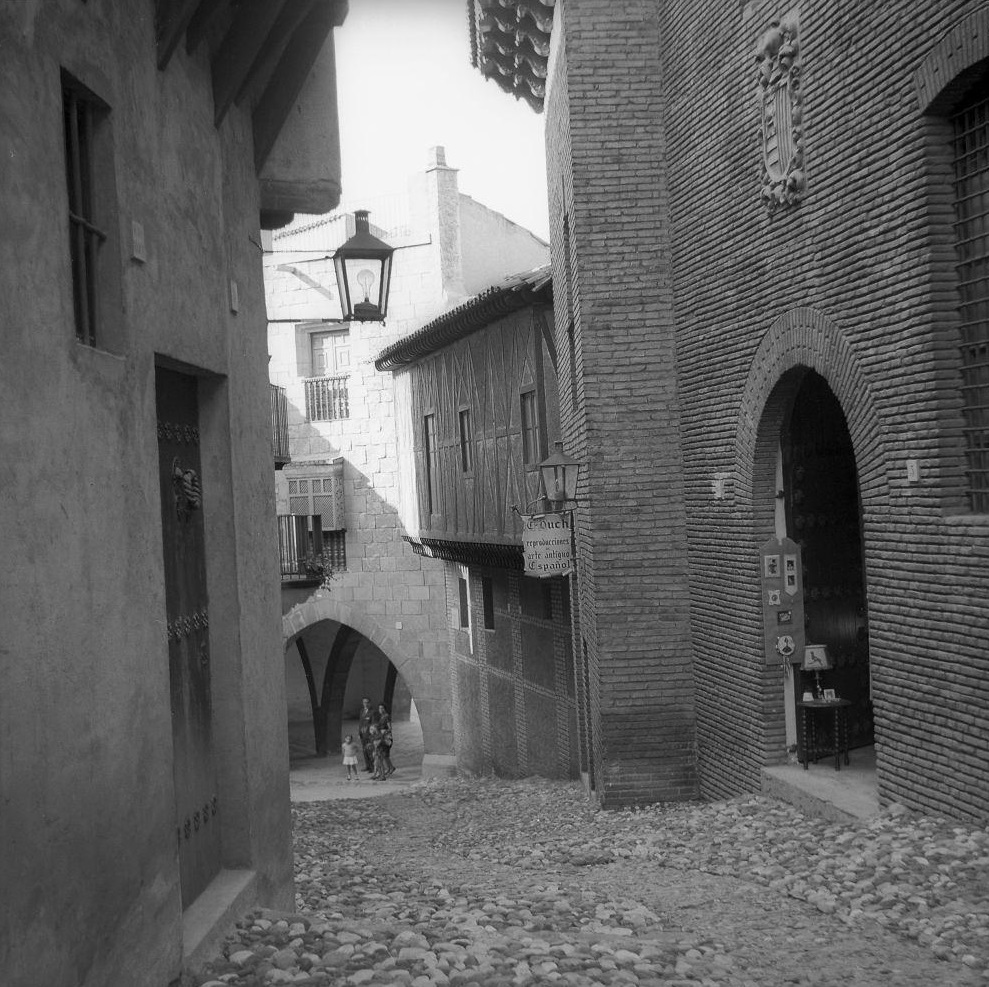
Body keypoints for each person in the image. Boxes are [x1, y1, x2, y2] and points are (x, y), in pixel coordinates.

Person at [357, 697, 377, 772]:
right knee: (364, 750)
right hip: (363, 734)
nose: (365, 704)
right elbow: (360, 723)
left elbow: (373, 723)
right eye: (364, 702)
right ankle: (367, 765)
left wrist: (370, 732)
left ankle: (372, 767)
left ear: (370, 703)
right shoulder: (362, 711)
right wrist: (359, 733)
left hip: (369, 734)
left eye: (367, 702)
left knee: (370, 750)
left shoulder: (373, 712)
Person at [377, 704, 395, 777]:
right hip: (382, 737)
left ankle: (390, 768)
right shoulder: (381, 717)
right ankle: (390, 768)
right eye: (379, 708)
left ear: (385, 709)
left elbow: (390, 728)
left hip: (386, 738)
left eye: (382, 708)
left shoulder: (386, 716)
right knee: (385, 755)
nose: (380, 710)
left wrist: (384, 731)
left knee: (385, 754)